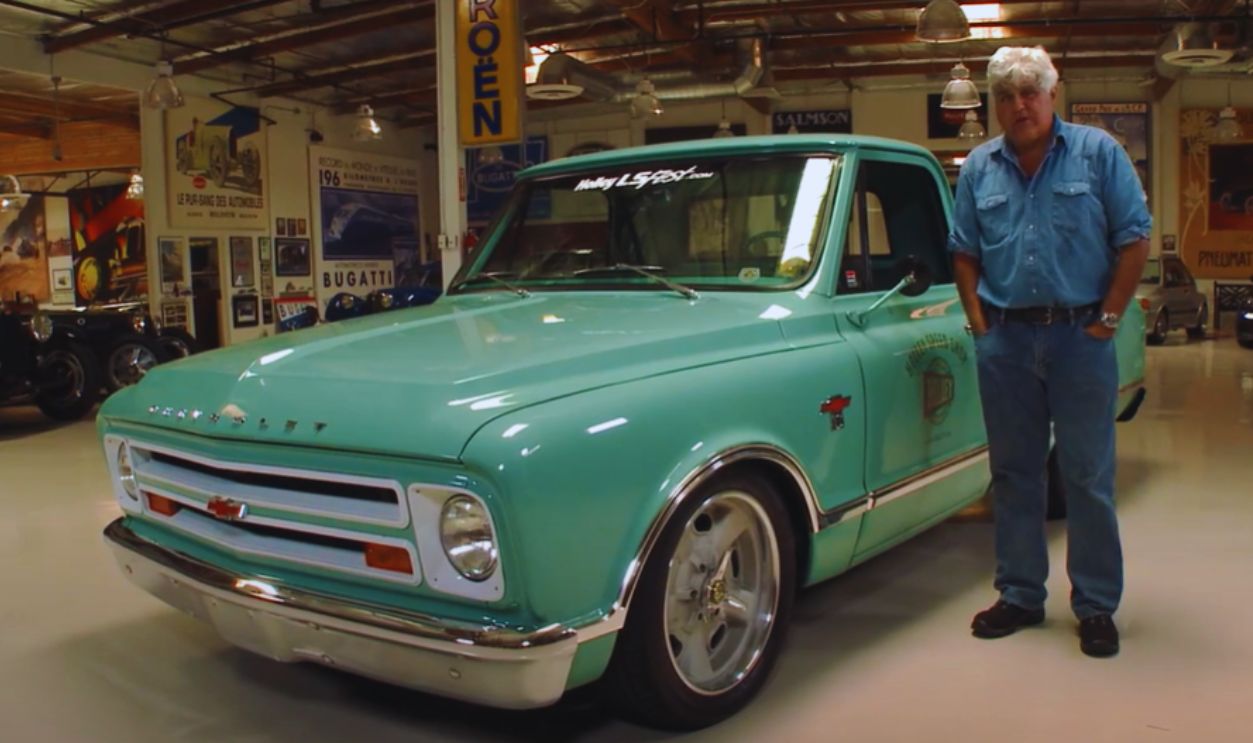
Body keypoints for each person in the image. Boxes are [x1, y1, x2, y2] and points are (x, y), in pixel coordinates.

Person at [948, 46, 1151, 658]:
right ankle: (1019, 595)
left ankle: (1095, 604)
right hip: (1006, 342)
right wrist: (980, 326)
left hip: (1079, 338)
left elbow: (1135, 239)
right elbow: (964, 252)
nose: (1019, 105)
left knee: (1086, 476)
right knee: (1014, 476)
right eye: (1006, 96)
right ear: (995, 104)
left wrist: (1107, 320)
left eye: (1030, 92)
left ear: (1052, 93)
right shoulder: (979, 167)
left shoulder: (1098, 153)